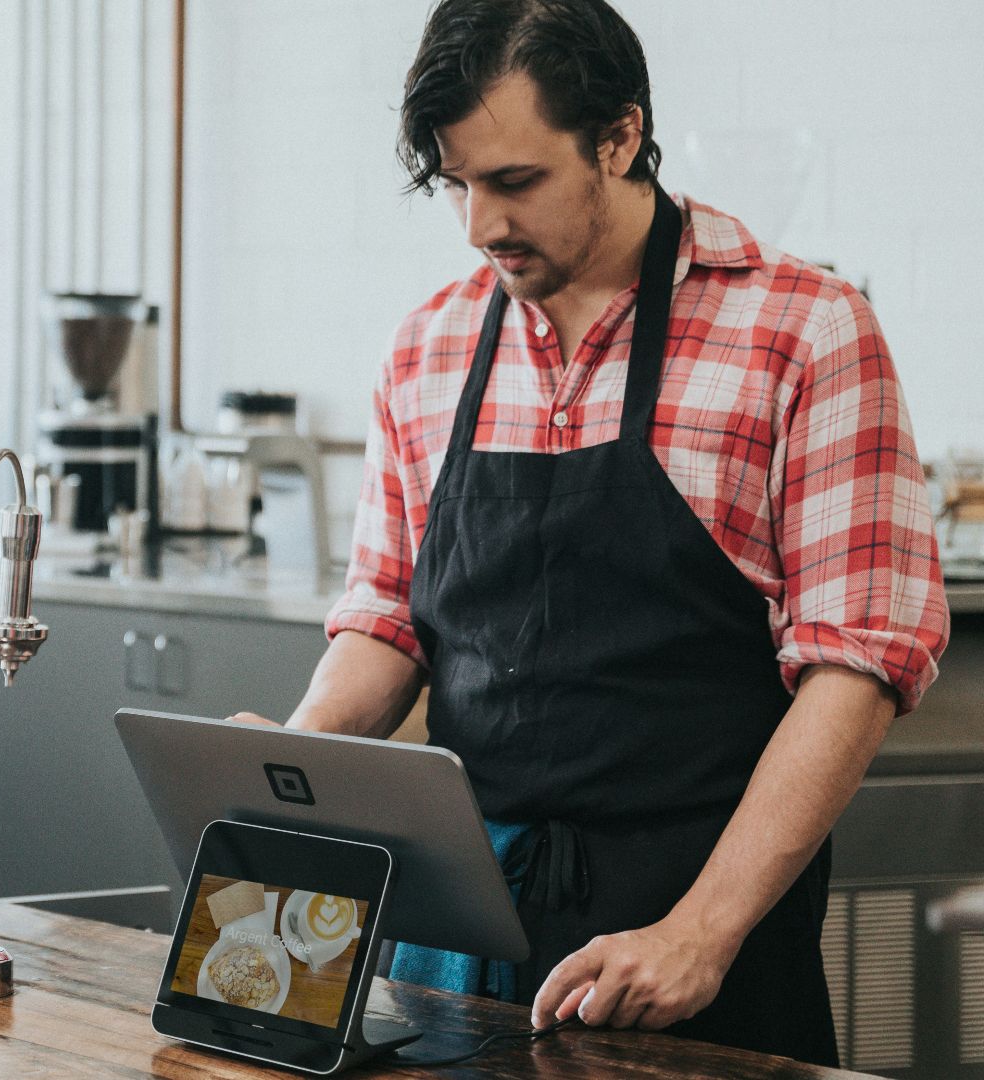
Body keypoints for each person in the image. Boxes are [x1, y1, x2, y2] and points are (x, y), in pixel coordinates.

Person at [229, 0, 948, 1066]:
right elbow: (388, 619)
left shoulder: (804, 332)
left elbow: (855, 669)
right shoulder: (428, 347)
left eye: (515, 181)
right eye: (456, 184)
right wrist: (288, 768)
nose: (480, 226)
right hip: (458, 939)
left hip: (691, 940)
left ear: (618, 136)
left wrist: (700, 933)